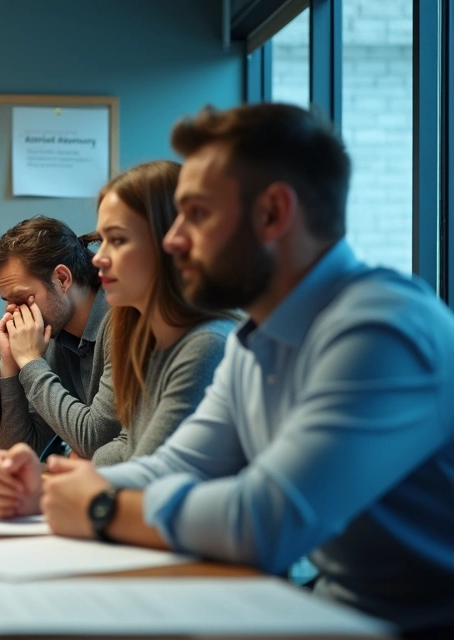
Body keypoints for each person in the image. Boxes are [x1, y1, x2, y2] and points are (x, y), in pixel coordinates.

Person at [40, 104, 454, 637]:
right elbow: (177, 465)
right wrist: (66, 489)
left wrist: (101, 507)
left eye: (197, 213)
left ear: (273, 213)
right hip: (329, 614)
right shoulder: (258, 337)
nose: (173, 239)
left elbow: (266, 520)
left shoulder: (381, 330)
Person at [0, 161, 236, 517]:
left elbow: (116, 451)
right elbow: (114, 449)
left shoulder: (193, 341)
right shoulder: (137, 333)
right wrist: (11, 363)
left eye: (116, 240)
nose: (98, 257)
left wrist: (32, 366)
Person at [0, 217, 111, 455]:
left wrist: (32, 363)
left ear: (62, 279)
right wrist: (10, 362)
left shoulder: (119, 322)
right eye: (8, 302)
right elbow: (20, 449)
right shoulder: (54, 336)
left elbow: (95, 439)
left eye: (21, 299)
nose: (13, 313)